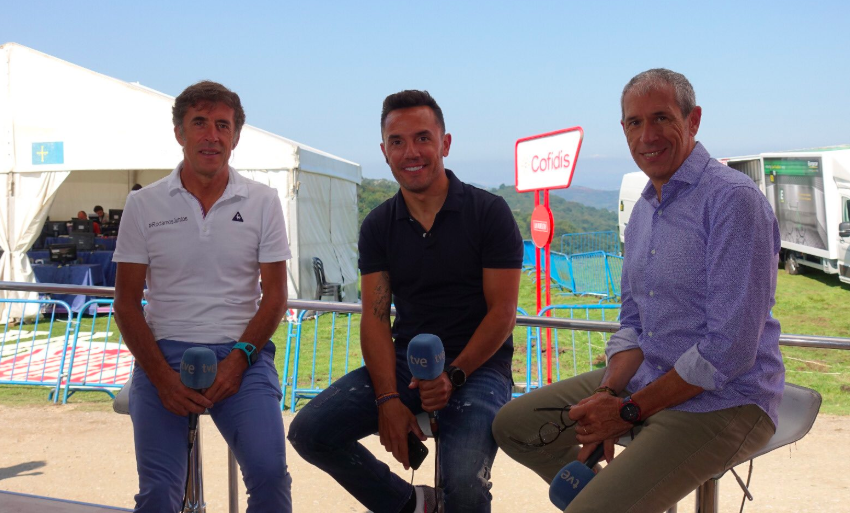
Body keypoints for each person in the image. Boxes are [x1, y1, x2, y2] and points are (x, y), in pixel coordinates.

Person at [492, 68, 785, 512]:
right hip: (648, 377)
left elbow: (729, 350)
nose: (647, 135)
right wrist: (609, 393)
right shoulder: (646, 208)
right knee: (513, 425)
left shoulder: (732, 201)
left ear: (693, 120)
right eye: (634, 122)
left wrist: (629, 411)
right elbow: (633, 324)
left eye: (661, 118)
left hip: (726, 400)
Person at [288, 90, 523, 513]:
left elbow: (503, 313)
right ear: (384, 151)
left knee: (465, 487)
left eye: (422, 138)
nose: (410, 152)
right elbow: (375, 319)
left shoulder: (489, 212)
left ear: (444, 143)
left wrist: (454, 374)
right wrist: (387, 399)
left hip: (480, 367)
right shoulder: (378, 226)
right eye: (397, 141)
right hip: (406, 364)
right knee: (310, 432)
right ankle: (410, 504)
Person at [112, 80, 292, 512]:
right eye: (200, 123)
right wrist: (161, 378)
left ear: (236, 137)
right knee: (159, 493)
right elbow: (125, 302)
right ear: (179, 133)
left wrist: (239, 359)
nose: (212, 135)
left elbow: (275, 298)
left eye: (223, 125)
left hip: (243, 356)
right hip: (163, 354)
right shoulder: (144, 204)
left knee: (270, 477)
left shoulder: (264, 201)